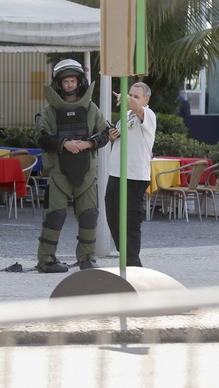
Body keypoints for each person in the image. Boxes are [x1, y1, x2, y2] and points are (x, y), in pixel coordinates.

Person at [35, 59, 110, 273]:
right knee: (54, 215)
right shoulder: (49, 111)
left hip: (86, 172)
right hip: (59, 172)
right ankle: (46, 259)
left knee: (89, 214)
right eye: (65, 81)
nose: (69, 85)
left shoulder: (92, 109)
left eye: (72, 81)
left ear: (79, 82)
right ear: (59, 84)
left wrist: (87, 143)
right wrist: (65, 144)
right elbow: (41, 137)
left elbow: (104, 133)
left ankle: (87, 257)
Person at [105, 82, 156, 267]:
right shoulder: (125, 117)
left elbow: (137, 108)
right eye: (130, 95)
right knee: (112, 215)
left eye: (136, 96)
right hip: (116, 173)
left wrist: (124, 98)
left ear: (145, 99)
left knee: (130, 221)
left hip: (134, 177)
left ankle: (133, 263)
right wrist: (113, 135)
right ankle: (125, 255)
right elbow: (118, 138)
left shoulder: (148, 115)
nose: (132, 99)